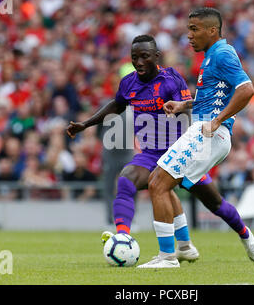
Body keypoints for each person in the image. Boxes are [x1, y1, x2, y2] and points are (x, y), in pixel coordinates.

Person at [138, 8, 254, 268]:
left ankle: (168, 257)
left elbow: (247, 89)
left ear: (212, 30)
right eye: (188, 29)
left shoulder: (223, 53)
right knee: (200, 195)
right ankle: (245, 236)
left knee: (158, 183)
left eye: (194, 29)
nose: (189, 35)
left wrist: (217, 120)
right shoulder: (210, 58)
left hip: (210, 132)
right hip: (207, 131)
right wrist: (184, 105)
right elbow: (212, 100)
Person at [67, 35, 210, 262]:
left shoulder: (171, 79)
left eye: (144, 56)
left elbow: (187, 108)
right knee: (126, 179)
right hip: (151, 152)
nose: (139, 62)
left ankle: (237, 236)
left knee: (215, 203)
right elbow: (116, 105)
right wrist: (86, 124)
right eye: (134, 57)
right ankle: (124, 237)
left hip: (177, 150)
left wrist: (187, 134)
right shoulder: (129, 82)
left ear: (156, 56)